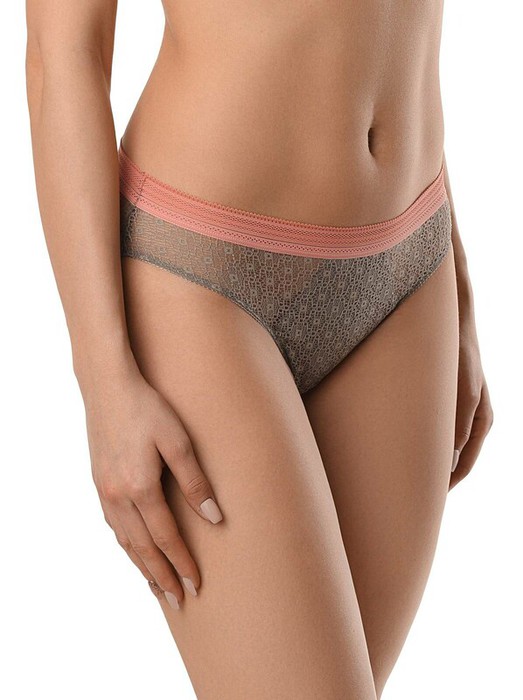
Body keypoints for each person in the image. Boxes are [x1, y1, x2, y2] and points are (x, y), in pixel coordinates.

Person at [25, 1, 493, 698]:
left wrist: (458, 286)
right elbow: (63, 53)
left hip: (409, 264)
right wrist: (104, 382)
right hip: (202, 271)